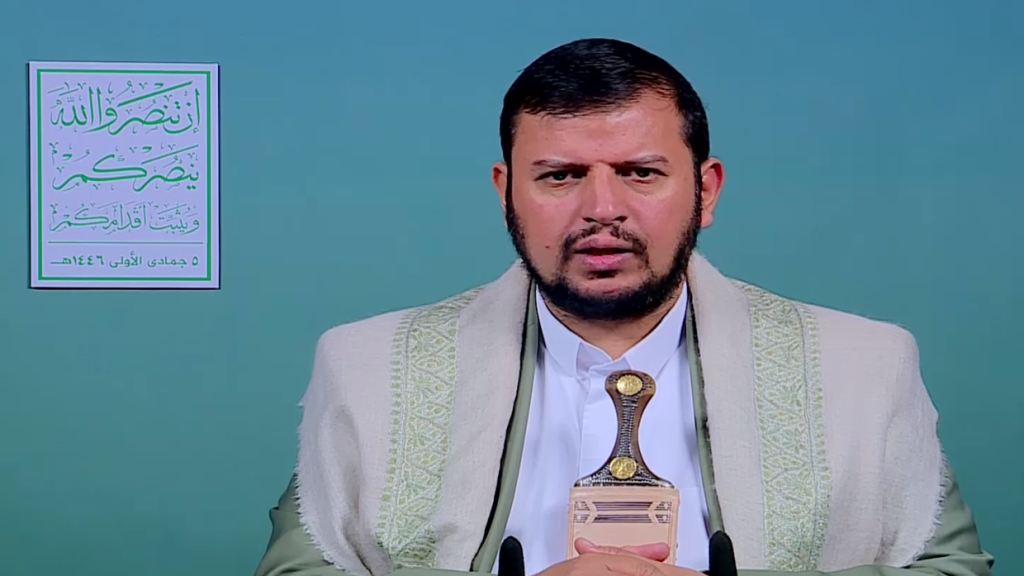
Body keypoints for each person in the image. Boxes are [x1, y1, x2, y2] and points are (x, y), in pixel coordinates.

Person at [254, 38, 994, 576]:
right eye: (560, 175)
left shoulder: (862, 365)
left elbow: (950, 568)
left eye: (640, 173)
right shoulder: (369, 367)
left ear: (705, 190)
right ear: (505, 192)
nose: (601, 209)